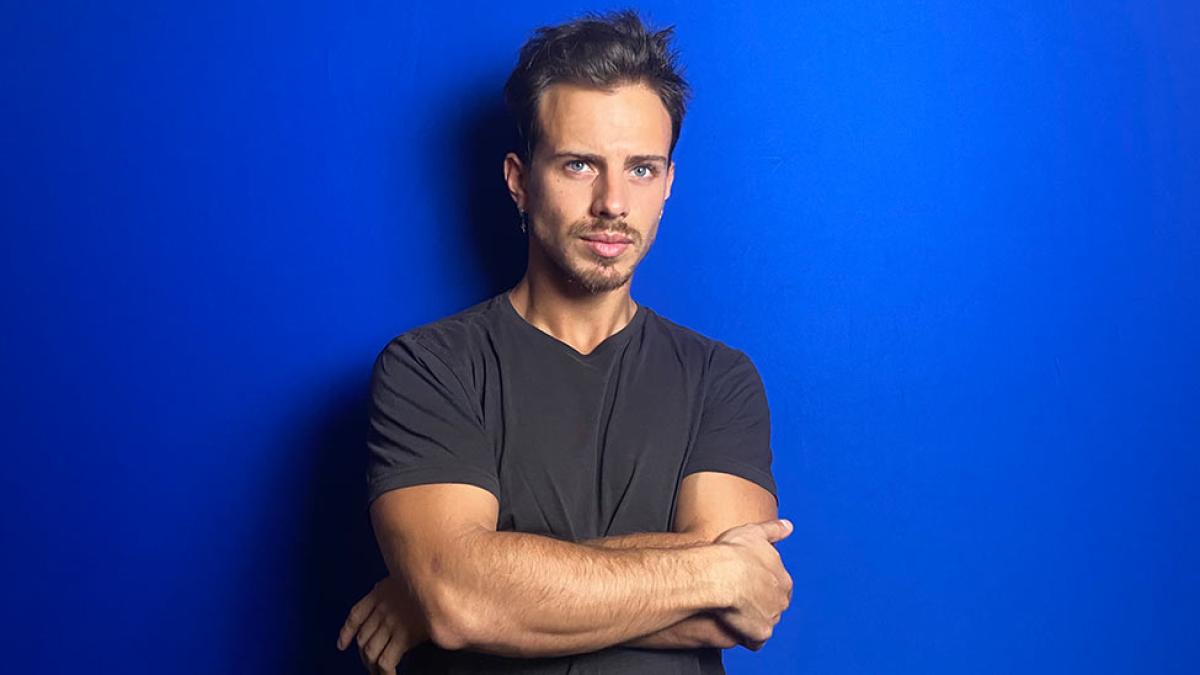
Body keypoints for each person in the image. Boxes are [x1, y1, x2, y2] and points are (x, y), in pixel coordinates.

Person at [336, 10, 793, 674]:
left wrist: (485, 583)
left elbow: (739, 608)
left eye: (641, 169)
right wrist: (714, 566)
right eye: (580, 164)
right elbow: (458, 597)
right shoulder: (429, 367)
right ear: (520, 179)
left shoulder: (720, 378)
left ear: (668, 183)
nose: (613, 202)